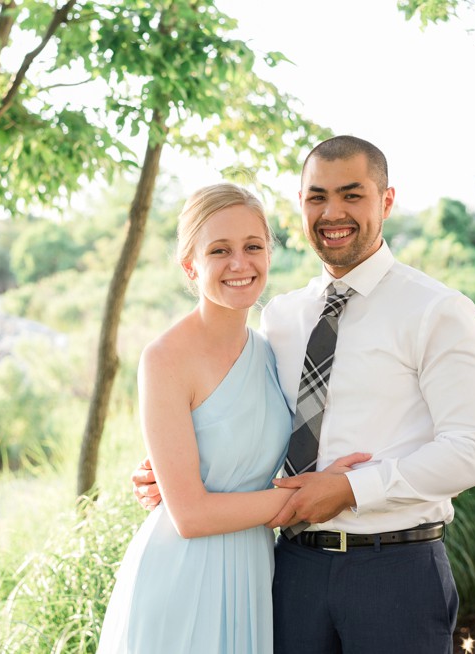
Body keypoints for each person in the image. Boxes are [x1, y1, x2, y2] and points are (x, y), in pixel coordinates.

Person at [132, 136, 475, 653]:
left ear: (386, 201)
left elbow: (474, 452)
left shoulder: (438, 311)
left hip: (394, 570)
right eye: (317, 197)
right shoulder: (280, 318)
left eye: (352, 195)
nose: (333, 213)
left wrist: (352, 490)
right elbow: (238, 416)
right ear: (301, 205)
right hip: (290, 569)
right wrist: (177, 475)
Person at [98, 183, 368, 654]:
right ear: (191, 265)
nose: (240, 264)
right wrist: (315, 496)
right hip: (183, 576)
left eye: (253, 247)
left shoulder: (271, 351)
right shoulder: (164, 358)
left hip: (254, 573)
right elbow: (191, 515)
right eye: (219, 250)